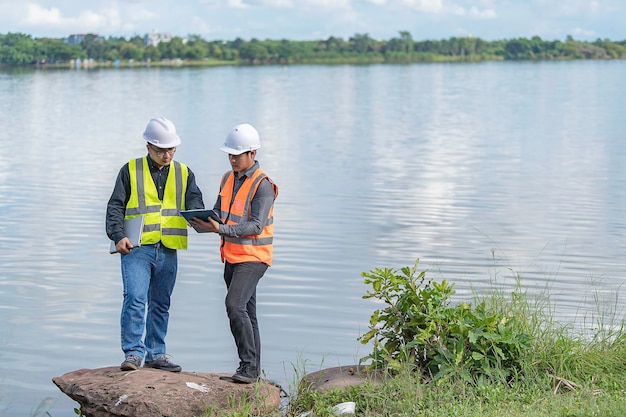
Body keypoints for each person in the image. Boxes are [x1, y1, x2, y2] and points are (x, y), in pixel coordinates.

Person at [106, 116, 205, 372]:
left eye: (171, 149)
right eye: (161, 150)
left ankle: (156, 353)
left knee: (161, 303)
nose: (167, 155)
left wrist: (202, 219)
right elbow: (115, 206)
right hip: (137, 248)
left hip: (168, 248)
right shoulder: (130, 170)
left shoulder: (184, 172)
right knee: (136, 299)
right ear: (148, 146)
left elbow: (194, 202)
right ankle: (133, 353)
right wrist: (117, 236)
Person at [189, 123, 278, 384]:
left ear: (252, 153)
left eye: (236, 155)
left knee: (234, 305)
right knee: (248, 313)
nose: (232, 159)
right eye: (229, 154)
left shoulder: (263, 185)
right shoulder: (227, 178)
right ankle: (253, 371)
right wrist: (205, 222)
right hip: (231, 255)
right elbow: (220, 213)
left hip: (254, 257)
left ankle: (248, 368)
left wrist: (222, 228)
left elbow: (256, 225)